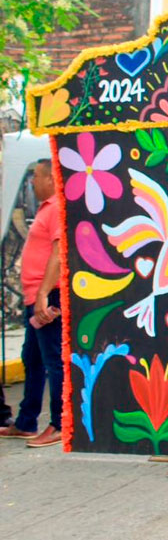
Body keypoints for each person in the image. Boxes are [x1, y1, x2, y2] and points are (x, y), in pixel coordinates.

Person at [0, 160, 63, 448]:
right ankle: (26, 421)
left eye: (36, 177)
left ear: (51, 178)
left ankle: (60, 423)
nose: (32, 182)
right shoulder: (44, 208)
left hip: (45, 296)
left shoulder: (55, 207)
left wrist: (43, 294)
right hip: (33, 296)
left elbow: (57, 254)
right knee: (33, 359)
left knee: (52, 360)